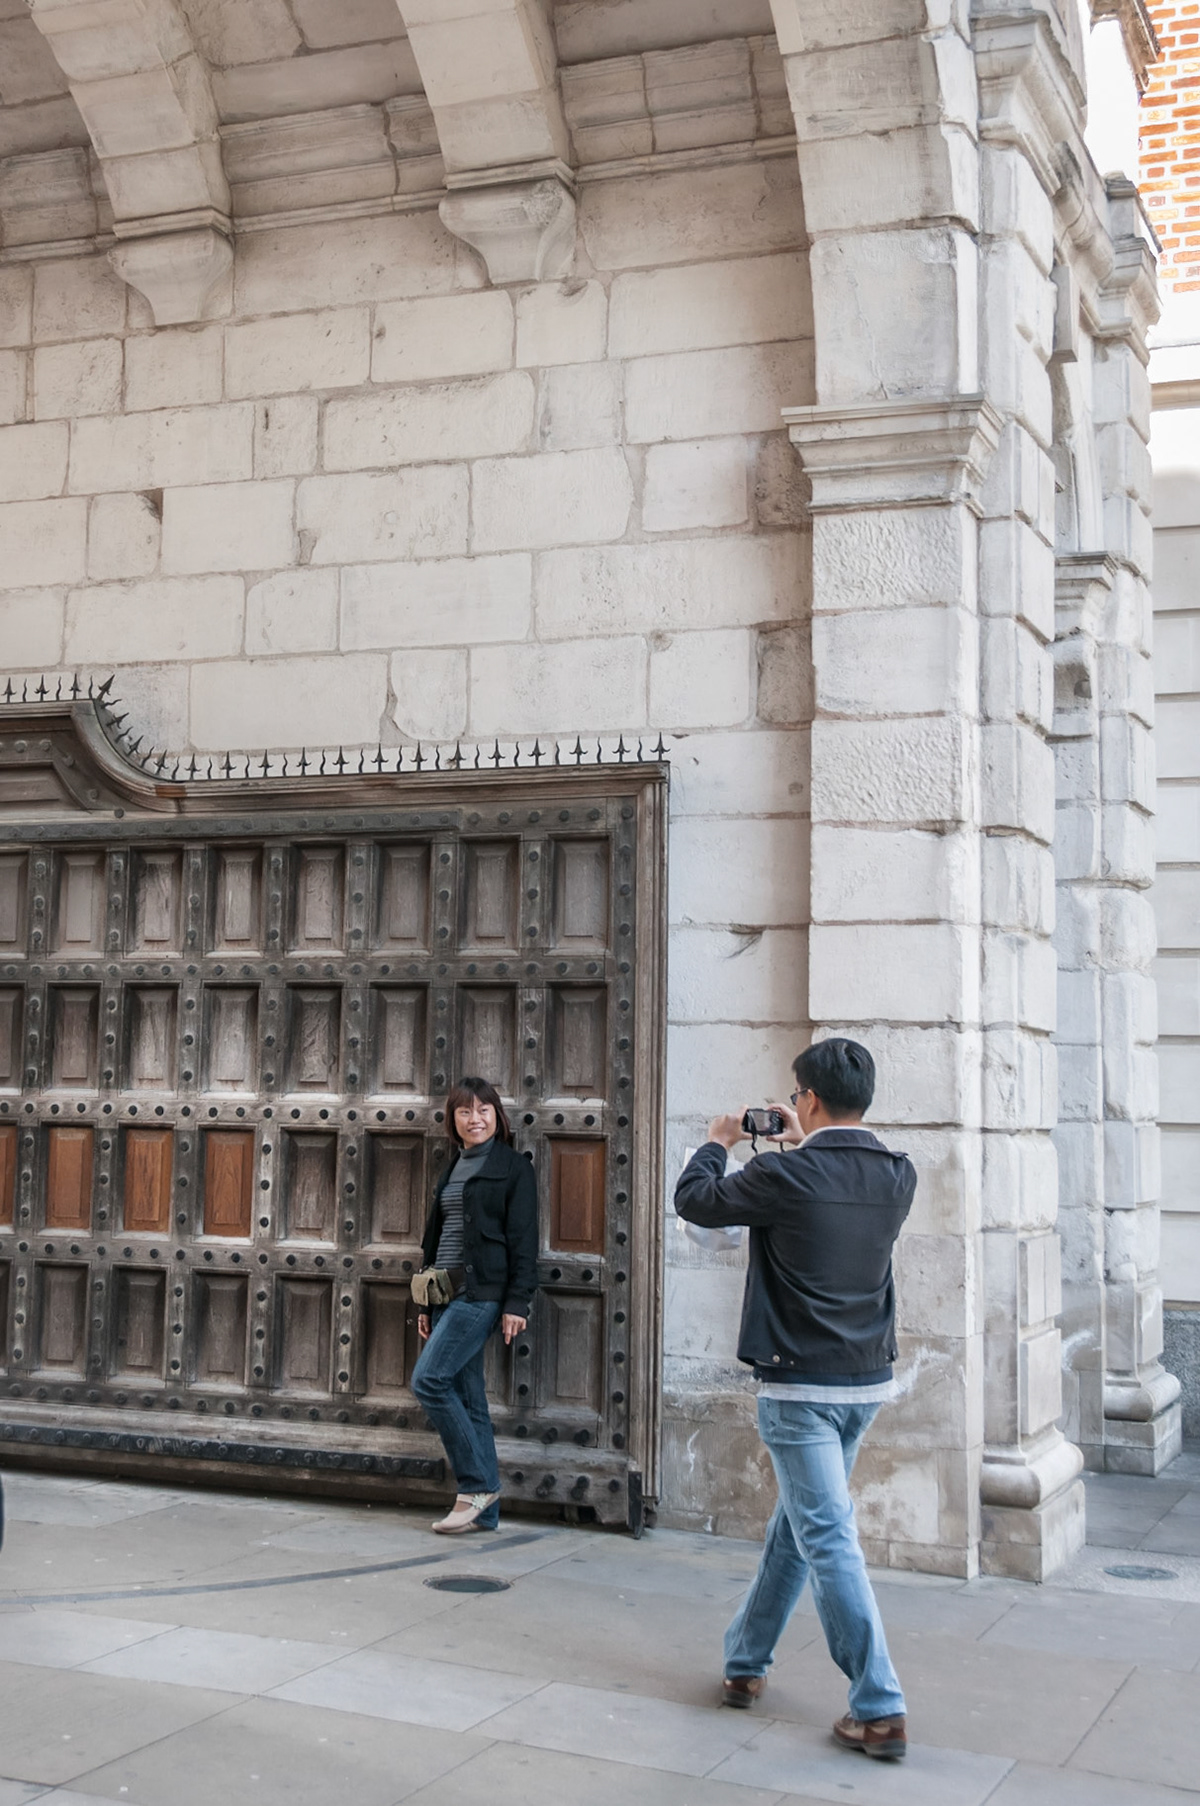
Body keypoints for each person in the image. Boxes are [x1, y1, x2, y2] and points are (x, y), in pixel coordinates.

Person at [674, 1037, 916, 1763]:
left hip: (799, 1385)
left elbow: (697, 1202)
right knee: (803, 1525)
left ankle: (878, 1705)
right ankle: (746, 1662)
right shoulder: (898, 1175)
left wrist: (719, 1142)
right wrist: (789, 1149)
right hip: (866, 1378)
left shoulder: (785, 1173)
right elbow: (817, 1213)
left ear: (806, 1098)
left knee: (828, 1536)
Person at [411, 1077, 538, 1535]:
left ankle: (477, 1484)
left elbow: (524, 1241)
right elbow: (438, 1238)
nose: (475, 1118)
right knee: (470, 1398)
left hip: (481, 1295)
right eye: (465, 1111)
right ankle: (488, 1512)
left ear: (497, 1117)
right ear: (454, 1121)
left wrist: (518, 1302)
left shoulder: (513, 1168)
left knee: (428, 1381)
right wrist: (424, 1304)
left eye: (484, 1110)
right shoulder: (454, 1166)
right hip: (444, 1295)